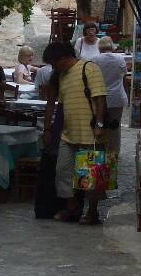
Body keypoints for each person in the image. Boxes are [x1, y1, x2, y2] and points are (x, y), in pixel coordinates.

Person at [41, 40, 108, 226]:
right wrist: (51, 129)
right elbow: (61, 105)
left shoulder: (89, 69)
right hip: (69, 134)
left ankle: (92, 212)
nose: (53, 67)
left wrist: (99, 125)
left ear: (63, 58)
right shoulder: (62, 76)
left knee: (90, 176)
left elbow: (100, 99)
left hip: (90, 133)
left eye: (54, 62)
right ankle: (72, 207)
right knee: (62, 172)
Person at [93, 35, 128, 154]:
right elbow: (123, 76)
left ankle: (100, 152)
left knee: (99, 124)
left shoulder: (95, 60)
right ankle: (114, 154)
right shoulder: (120, 59)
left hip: (99, 98)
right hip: (117, 97)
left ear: (99, 47)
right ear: (112, 46)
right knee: (115, 127)